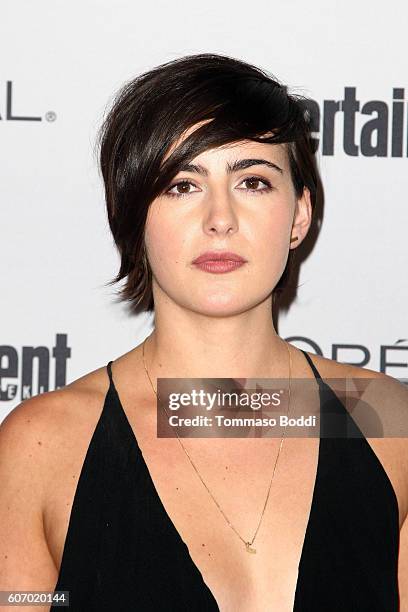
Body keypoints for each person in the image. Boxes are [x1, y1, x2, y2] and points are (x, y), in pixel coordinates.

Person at [0, 53, 407, 612]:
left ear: (299, 215)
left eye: (254, 181)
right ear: (133, 213)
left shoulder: (385, 422)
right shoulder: (44, 446)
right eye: (181, 185)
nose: (220, 218)